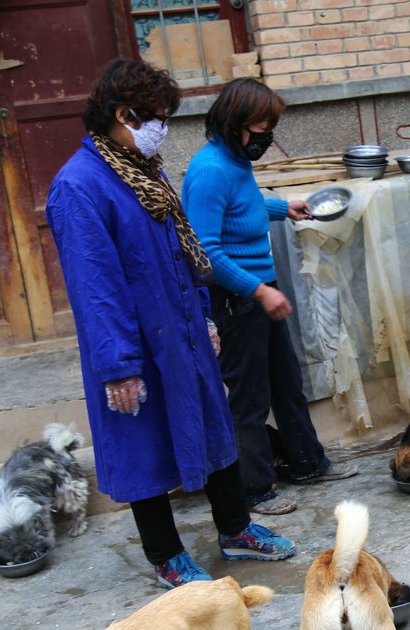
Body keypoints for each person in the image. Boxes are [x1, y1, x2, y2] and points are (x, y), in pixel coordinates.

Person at [45, 60, 299, 589]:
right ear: (122, 114)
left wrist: (204, 315)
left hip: (182, 328)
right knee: (146, 446)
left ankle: (236, 528)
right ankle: (166, 555)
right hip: (134, 345)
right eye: (156, 117)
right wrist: (118, 366)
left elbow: (185, 251)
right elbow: (95, 288)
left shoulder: (145, 169)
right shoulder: (80, 186)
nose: (162, 126)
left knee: (214, 426)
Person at [181, 78, 358, 516]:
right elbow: (205, 252)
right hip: (235, 297)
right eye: (261, 126)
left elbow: (243, 206)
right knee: (250, 398)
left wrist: (284, 207)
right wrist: (258, 291)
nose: (267, 136)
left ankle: (307, 464)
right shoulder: (209, 170)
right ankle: (252, 490)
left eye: (270, 126)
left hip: (259, 291)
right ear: (234, 121)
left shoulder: (235, 161)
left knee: (286, 382)